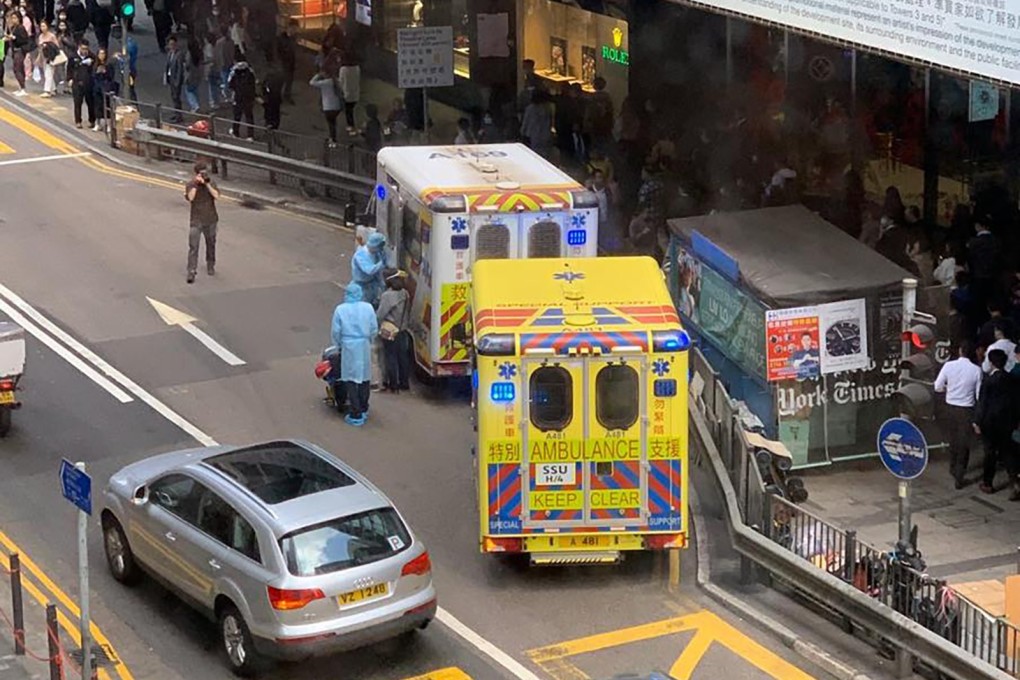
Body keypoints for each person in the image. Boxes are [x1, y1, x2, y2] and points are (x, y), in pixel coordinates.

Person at [935, 341, 983, 488]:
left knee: (952, 439)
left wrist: (949, 389)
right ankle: (959, 475)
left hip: (950, 408)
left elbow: (937, 386)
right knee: (964, 443)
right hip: (966, 410)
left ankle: (952, 467)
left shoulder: (948, 366)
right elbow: (979, 395)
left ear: (960, 351)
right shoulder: (976, 370)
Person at [330, 283, 378, 426]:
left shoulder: (340, 309)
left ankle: (355, 411)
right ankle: (363, 407)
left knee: (350, 378)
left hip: (348, 345)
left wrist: (338, 345)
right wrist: (370, 340)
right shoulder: (368, 308)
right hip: (363, 345)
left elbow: (336, 331)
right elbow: (374, 327)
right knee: (364, 376)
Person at [974, 349, 1019, 496]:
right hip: (1007, 422)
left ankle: (988, 483)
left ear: (992, 363)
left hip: (990, 422)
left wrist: (977, 422)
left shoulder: (989, 381)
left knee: (990, 453)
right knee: (1007, 451)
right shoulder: (1012, 379)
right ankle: (1014, 481)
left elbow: (982, 403)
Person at [184, 161, 220, 283]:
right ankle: (191, 271)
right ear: (196, 174)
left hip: (211, 219)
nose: (204, 175)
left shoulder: (211, 182)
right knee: (193, 246)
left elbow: (216, 196)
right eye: (202, 173)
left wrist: (207, 184)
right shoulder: (191, 184)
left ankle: (211, 264)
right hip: (196, 220)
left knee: (211, 243)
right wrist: (196, 184)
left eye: (205, 172)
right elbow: (191, 198)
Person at [377, 270, 411, 392]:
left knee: (390, 357)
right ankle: (404, 383)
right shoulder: (405, 293)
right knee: (403, 357)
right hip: (403, 329)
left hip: (390, 330)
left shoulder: (387, 296)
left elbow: (380, 314)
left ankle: (393, 385)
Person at [351, 232, 387, 307]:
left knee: (370, 304)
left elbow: (378, 272)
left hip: (372, 285)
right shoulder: (360, 255)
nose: (381, 249)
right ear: (375, 246)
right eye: (380, 246)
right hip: (361, 286)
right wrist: (382, 263)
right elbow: (370, 270)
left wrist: (381, 284)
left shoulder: (377, 253)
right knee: (361, 306)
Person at [227, 49, 256, 138]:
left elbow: (230, 84)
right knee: (249, 116)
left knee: (237, 116)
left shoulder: (234, 71)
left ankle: (235, 132)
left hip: (238, 96)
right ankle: (250, 135)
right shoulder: (249, 70)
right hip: (249, 97)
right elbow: (254, 82)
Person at [68, 38, 95, 128]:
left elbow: (95, 68)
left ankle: (92, 120)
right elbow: (69, 68)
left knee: (90, 102)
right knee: (77, 102)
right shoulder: (73, 56)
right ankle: (78, 121)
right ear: (79, 47)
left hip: (88, 82)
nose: (84, 51)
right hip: (77, 82)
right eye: (83, 49)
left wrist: (91, 64)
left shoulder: (91, 56)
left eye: (86, 49)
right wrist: (69, 79)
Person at [310, 66, 342, 143]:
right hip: (337, 106)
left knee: (330, 123)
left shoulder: (325, 83)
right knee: (333, 122)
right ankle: (332, 137)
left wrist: (318, 75)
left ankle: (332, 139)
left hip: (328, 107)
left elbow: (312, 82)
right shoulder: (336, 81)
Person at [91, 47, 118, 132]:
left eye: (103, 54)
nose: (101, 55)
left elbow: (111, 76)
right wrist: (97, 72)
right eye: (100, 54)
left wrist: (105, 72)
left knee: (107, 106)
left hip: (106, 88)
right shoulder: (95, 64)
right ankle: (98, 124)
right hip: (97, 88)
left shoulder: (109, 65)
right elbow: (92, 76)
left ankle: (109, 124)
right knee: (97, 106)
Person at [6, 12, 30, 95]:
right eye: (12, 18)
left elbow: (24, 40)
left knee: (18, 69)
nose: (13, 20)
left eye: (15, 18)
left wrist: (14, 38)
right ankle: (20, 87)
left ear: (19, 19)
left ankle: (23, 88)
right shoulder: (13, 28)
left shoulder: (21, 28)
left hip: (20, 50)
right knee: (17, 68)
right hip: (15, 49)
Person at [338, 49, 360, 134]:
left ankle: (351, 127)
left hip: (346, 94)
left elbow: (341, 82)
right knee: (351, 110)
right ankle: (352, 125)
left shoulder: (343, 69)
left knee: (348, 111)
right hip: (355, 93)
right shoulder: (357, 68)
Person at [164, 35, 186, 121]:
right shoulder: (170, 53)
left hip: (176, 79)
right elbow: (168, 66)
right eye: (170, 44)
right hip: (170, 78)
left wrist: (178, 81)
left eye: (173, 44)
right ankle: (176, 113)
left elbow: (180, 69)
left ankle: (179, 115)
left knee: (177, 97)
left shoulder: (179, 54)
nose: (171, 46)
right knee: (173, 97)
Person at [36, 20, 59, 96]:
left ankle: (47, 91)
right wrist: (39, 57)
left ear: (47, 27)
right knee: (48, 73)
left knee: (48, 73)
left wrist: (48, 45)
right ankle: (53, 89)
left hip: (51, 57)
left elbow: (57, 46)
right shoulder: (40, 36)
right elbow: (40, 48)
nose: (42, 28)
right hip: (44, 57)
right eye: (41, 26)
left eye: (44, 26)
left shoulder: (52, 36)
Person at [276, 18, 296, 104]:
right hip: (284, 62)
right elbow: (278, 50)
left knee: (289, 80)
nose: (294, 30)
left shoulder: (293, 38)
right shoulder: (281, 38)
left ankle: (287, 95)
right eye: (293, 28)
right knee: (283, 79)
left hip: (291, 62)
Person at [213, 26, 234, 102]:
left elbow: (217, 54)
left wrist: (218, 64)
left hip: (223, 64)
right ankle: (230, 94)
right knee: (230, 79)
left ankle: (227, 95)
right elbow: (232, 52)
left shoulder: (219, 42)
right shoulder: (231, 41)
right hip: (230, 63)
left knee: (225, 80)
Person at [261, 63, 284, 129]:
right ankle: (272, 123)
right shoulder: (278, 77)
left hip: (271, 97)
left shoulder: (270, 77)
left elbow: (265, 86)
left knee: (271, 111)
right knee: (274, 111)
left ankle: (271, 123)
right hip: (274, 97)